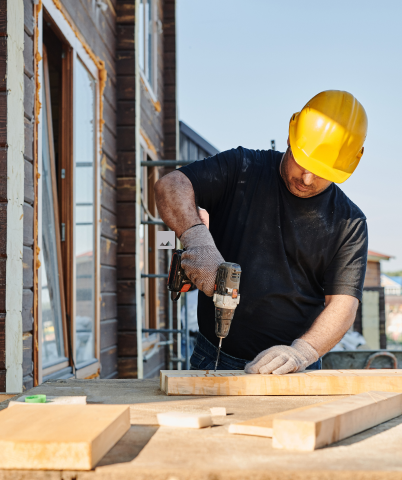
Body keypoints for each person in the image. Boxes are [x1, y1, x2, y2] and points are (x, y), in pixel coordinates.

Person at [154, 90, 369, 375]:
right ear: (291, 138)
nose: (307, 178)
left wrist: (301, 352)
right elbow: (171, 185)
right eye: (302, 162)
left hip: (293, 367)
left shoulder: (349, 222)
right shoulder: (241, 169)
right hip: (216, 356)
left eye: (321, 171)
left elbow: (343, 307)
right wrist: (196, 238)